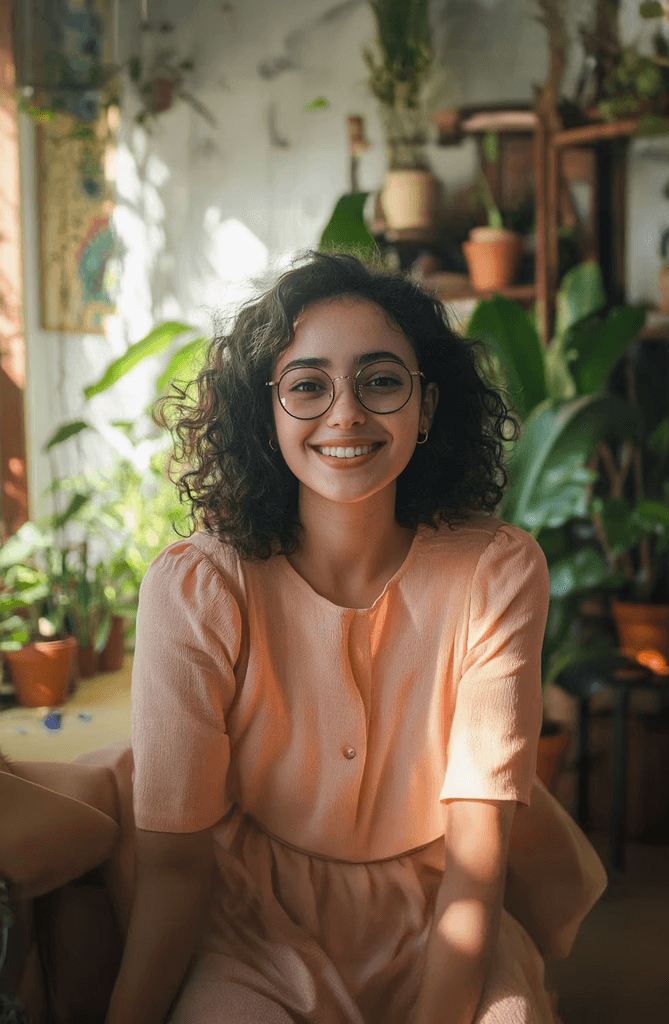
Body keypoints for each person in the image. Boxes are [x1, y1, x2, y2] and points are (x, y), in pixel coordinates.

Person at [105, 250, 560, 1024]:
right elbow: (176, 872)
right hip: (251, 929)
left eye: (380, 381)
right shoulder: (196, 588)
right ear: (266, 413)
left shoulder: (496, 572)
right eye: (307, 386)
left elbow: (476, 866)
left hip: (441, 916)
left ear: (425, 407)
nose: (344, 413)